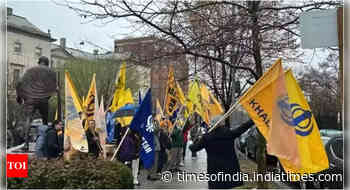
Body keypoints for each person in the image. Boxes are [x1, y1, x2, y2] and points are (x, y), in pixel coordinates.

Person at [189, 115, 254, 189]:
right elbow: (243, 128)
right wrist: (252, 120)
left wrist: (191, 145)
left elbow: (194, 149)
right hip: (229, 169)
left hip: (214, 170)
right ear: (222, 123)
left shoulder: (206, 137)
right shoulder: (229, 133)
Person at [16, 56, 57, 151]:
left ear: (39, 62)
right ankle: (46, 143)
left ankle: (26, 144)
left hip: (30, 99)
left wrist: (19, 97)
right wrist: (47, 97)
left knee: (28, 120)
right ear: (47, 63)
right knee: (45, 121)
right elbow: (54, 87)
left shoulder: (30, 70)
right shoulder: (51, 72)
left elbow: (19, 83)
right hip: (43, 99)